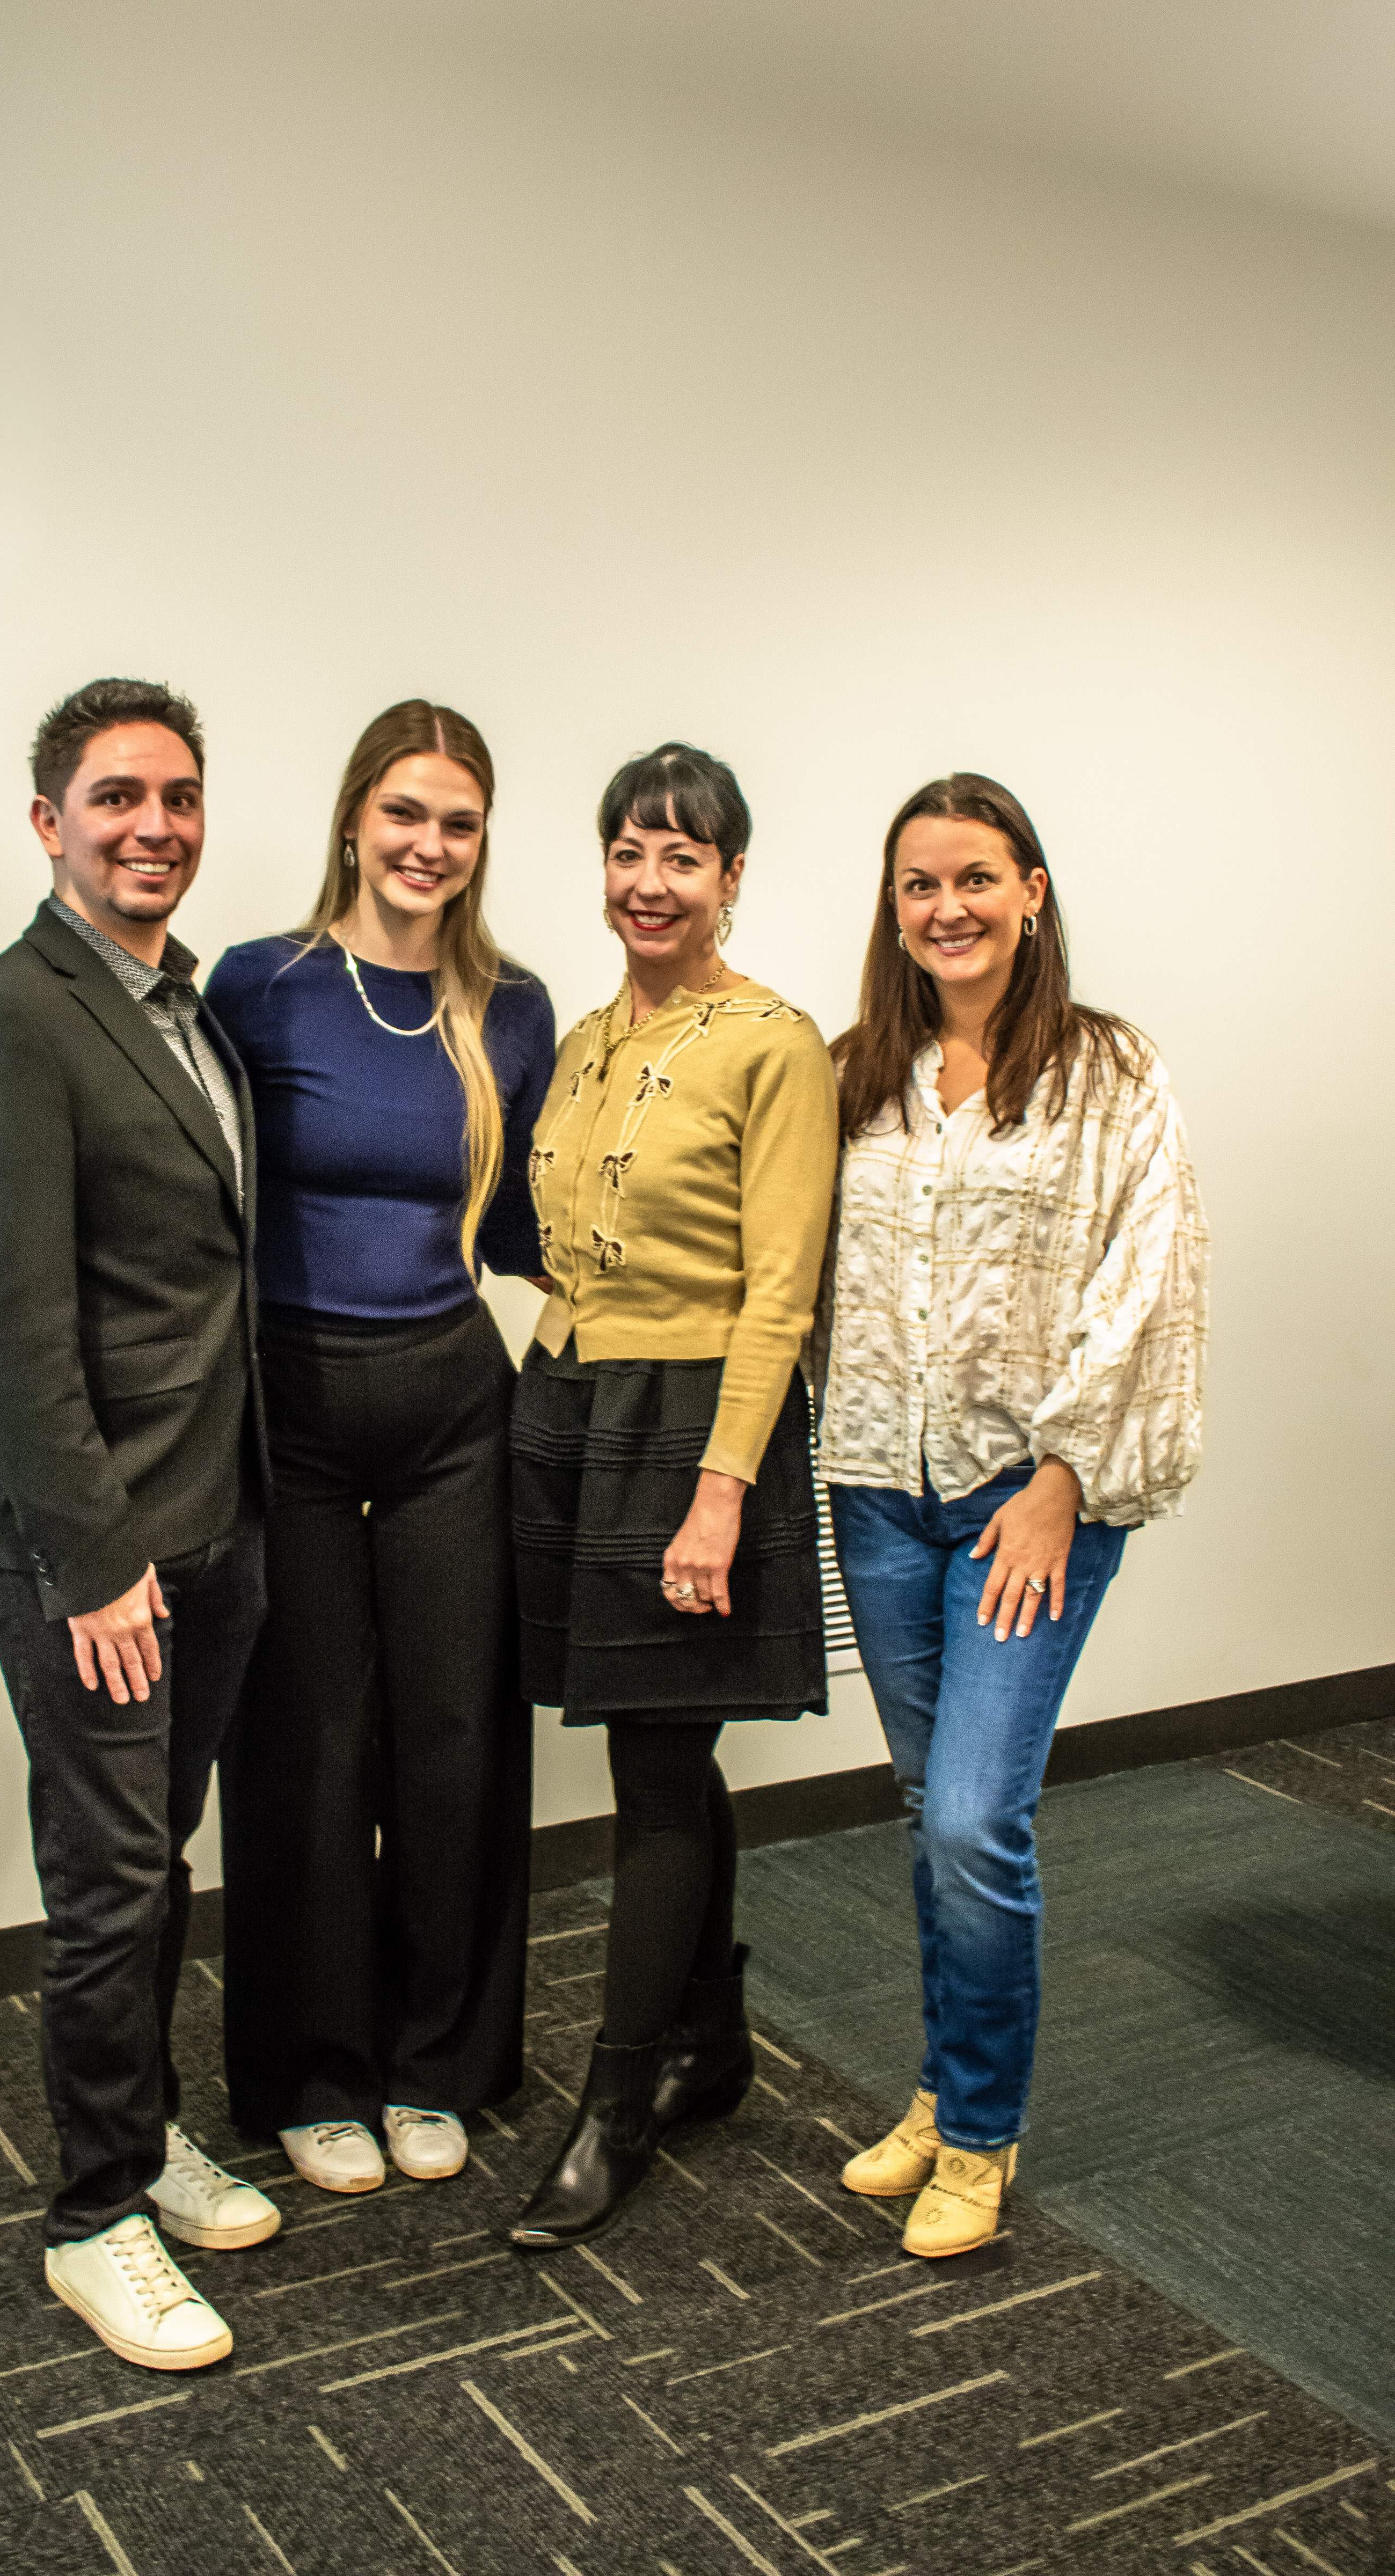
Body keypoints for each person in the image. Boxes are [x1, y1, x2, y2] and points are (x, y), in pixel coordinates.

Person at [0, 678, 281, 2373]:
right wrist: (93, 1559)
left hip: (215, 1526)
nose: (157, 827)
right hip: (99, 1557)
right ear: (49, 819)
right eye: (120, 796)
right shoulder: (14, 1016)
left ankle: (143, 2140)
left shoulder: (178, 1007)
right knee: (110, 1883)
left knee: (159, 1870)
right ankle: (90, 2218)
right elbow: (7, 1329)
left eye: (182, 797)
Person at [819, 772, 1209, 2258]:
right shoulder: (863, 1070)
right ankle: (939, 2086)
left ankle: (980, 2130)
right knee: (930, 1813)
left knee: (981, 1815)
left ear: (1031, 889)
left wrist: (1060, 1482)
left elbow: (1148, 1278)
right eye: (920, 885)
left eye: (976, 878)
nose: (948, 909)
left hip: (1026, 1498)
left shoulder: (1110, 1073)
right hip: (878, 1493)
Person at [204, 699, 554, 2195]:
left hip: (450, 1410)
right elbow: (195, 1193)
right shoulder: (260, 985)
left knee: (458, 1741)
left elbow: (540, 1229)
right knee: (305, 1745)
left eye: (458, 823)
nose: (428, 846)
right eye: (404, 814)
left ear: (482, 841)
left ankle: (439, 2064)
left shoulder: (515, 1006)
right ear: (355, 818)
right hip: (284, 1405)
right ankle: (312, 2076)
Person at [506, 742, 837, 2248]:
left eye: (683, 858)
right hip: (572, 1402)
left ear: (732, 877)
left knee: (652, 1767)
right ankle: (716, 2038)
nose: (651, 884)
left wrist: (721, 1495)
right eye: (629, 852)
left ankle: (618, 2099)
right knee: (660, 1740)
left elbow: (783, 1295)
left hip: (697, 1420)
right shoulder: (579, 1040)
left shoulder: (776, 1044)